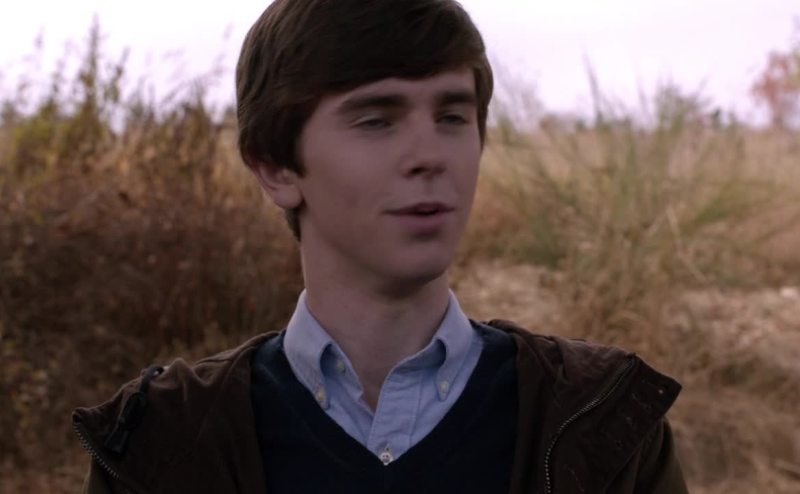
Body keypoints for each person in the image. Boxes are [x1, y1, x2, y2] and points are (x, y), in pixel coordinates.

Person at [72, 1, 688, 492]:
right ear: (276, 168)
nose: (429, 155)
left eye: (452, 116)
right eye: (376, 119)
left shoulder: (599, 421)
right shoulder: (166, 443)